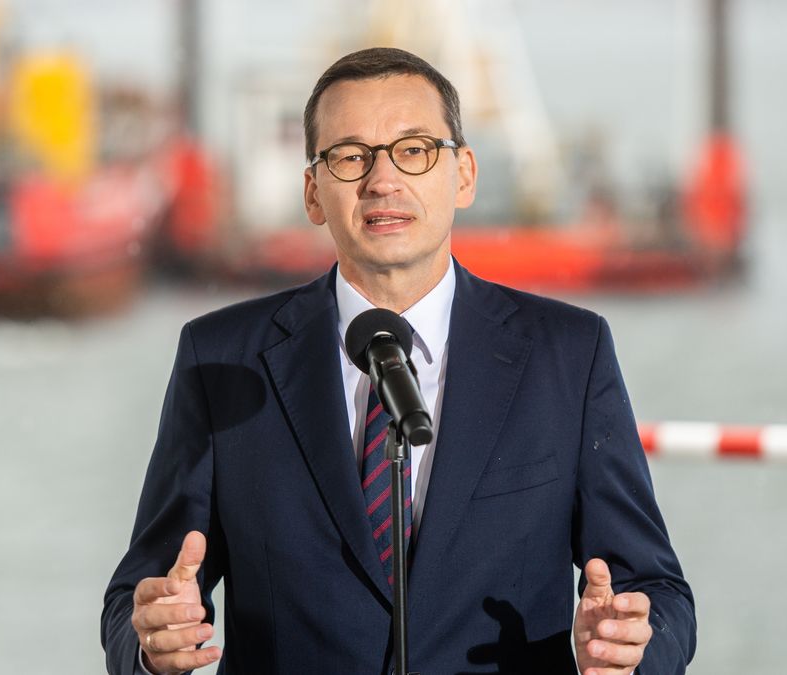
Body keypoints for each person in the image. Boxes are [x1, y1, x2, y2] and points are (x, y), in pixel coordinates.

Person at [102, 47, 695, 675]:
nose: (382, 180)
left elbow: (659, 593)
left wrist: (630, 647)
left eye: (414, 150)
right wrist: (149, 644)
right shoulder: (221, 357)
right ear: (312, 190)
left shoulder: (569, 354)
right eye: (350, 156)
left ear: (464, 174)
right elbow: (137, 595)